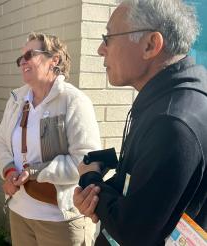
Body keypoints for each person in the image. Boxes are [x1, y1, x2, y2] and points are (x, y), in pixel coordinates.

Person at [73, 0, 207, 245]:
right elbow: (145, 193)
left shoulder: (173, 123)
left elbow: (133, 233)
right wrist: (98, 193)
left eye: (108, 37)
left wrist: (90, 182)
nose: (100, 49)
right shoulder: (170, 99)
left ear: (150, 44)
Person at [0, 32, 101, 246]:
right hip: (19, 214)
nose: (22, 61)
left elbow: (86, 161)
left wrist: (35, 172)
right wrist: (10, 171)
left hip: (60, 220)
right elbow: (0, 144)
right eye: (20, 58)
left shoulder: (74, 101)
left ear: (55, 60)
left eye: (29, 54)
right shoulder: (16, 100)